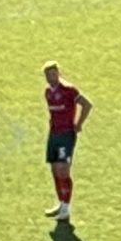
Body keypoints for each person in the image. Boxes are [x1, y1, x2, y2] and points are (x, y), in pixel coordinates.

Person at [43, 62, 91, 219]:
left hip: (66, 135)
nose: (51, 77)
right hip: (54, 134)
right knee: (54, 170)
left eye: (53, 73)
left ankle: (66, 208)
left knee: (63, 169)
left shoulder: (69, 90)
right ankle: (61, 204)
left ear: (58, 73)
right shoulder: (48, 92)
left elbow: (87, 104)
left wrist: (78, 124)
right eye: (48, 75)